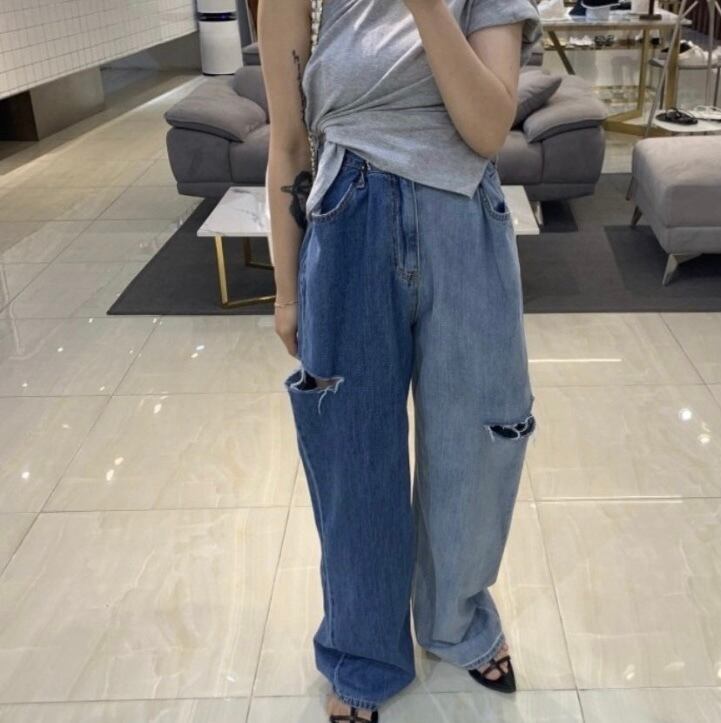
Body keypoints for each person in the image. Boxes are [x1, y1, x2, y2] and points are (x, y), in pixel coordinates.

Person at [259, 1, 541, 721]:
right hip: (347, 226)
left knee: (477, 448)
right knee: (353, 457)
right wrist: (287, 291)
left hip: (463, 223)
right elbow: (287, 144)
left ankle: (456, 620)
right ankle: (363, 650)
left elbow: (487, 129)